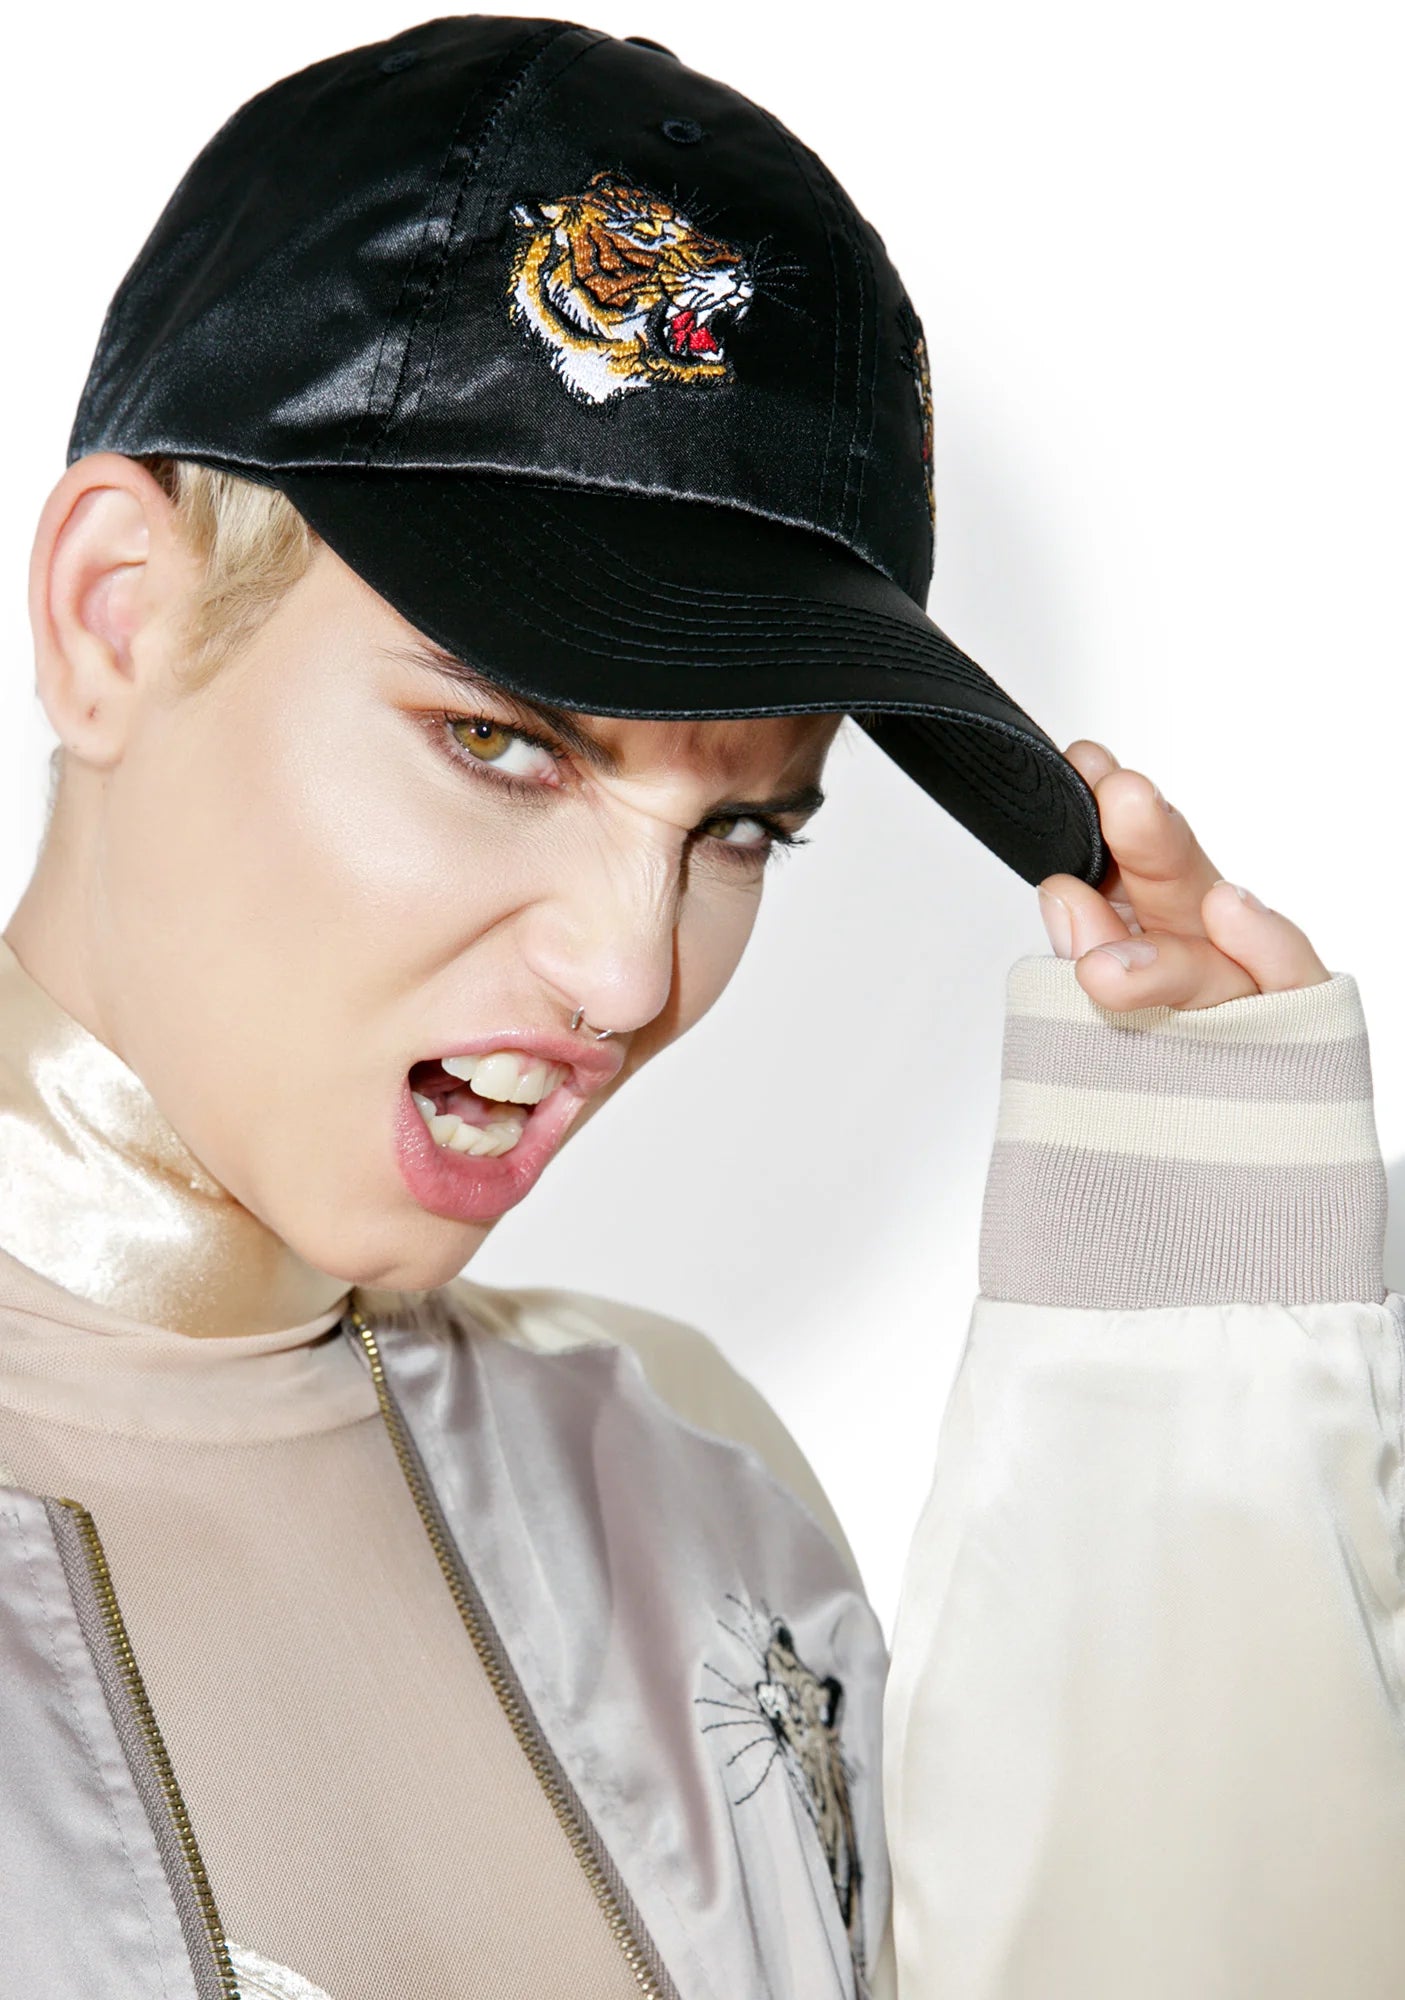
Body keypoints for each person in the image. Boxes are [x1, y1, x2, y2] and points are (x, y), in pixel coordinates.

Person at [1, 16, 1400, 2000]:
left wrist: (1192, 1348)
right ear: (114, 617)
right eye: (501, 742)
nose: (630, 972)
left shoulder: (673, 1486)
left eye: (742, 828)